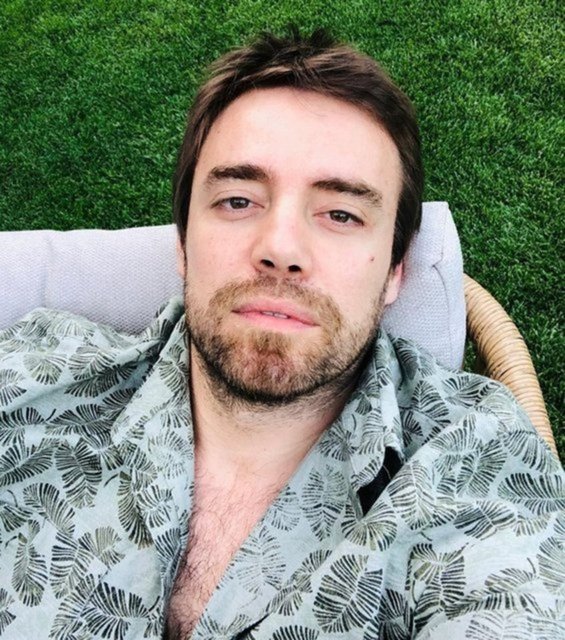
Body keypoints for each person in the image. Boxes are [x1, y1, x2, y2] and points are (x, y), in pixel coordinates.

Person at [0, 29, 563, 640]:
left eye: (341, 213)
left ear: (394, 271)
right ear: (183, 245)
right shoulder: (34, 372)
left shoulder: (478, 459)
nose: (280, 249)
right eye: (238, 201)